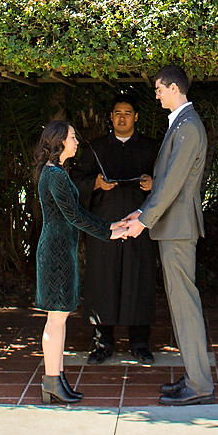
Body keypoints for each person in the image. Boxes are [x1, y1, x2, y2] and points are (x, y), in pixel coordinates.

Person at [117, 66, 214, 406]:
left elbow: (172, 184)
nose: (156, 94)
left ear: (174, 88)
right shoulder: (182, 124)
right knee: (181, 305)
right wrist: (141, 212)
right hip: (172, 228)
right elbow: (165, 183)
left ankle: (200, 384)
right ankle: (193, 378)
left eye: (159, 88)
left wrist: (144, 220)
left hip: (177, 229)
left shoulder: (188, 127)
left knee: (185, 306)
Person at [33, 119, 127, 405]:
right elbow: (74, 216)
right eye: (73, 137)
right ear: (60, 142)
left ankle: (57, 378)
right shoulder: (55, 176)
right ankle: (52, 380)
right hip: (56, 252)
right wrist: (109, 233)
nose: (77, 142)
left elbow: (76, 214)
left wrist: (111, 226)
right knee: (56, 319)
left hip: (61, 250)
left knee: (59, 319)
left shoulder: (58, 173)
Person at [70, 96, 162, 364]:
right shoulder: (96, 148)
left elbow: (168, 180)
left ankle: (140, 342)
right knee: (103, 281)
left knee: (140, 279)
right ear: (110, 117)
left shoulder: (150, 148)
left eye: (128, 113)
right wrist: (97, 183)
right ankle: (102, 342)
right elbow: (77, 180)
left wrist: (153, 184)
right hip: (104, 224)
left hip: (140, 225)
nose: (122, 118)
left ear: (136, 117)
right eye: (117, 113)